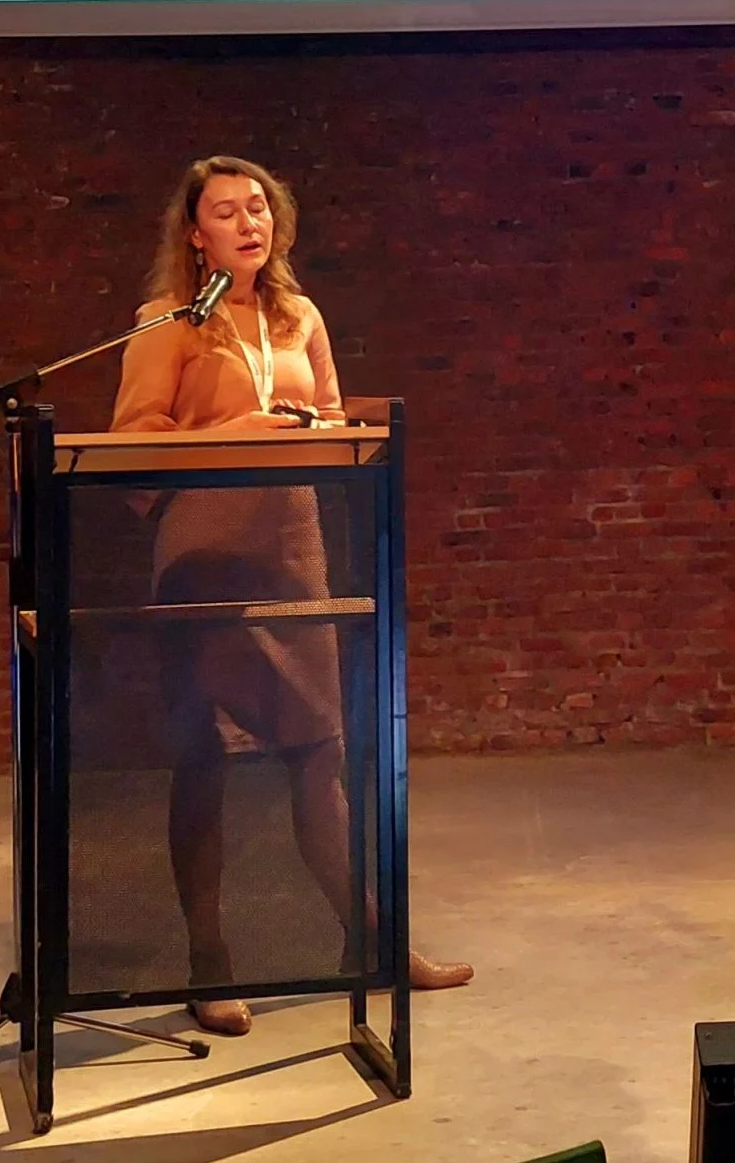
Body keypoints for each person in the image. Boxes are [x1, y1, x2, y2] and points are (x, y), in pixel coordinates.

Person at [111, 153, 472, 1034]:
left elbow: (340, 422)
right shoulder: (168, 322)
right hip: (206, 554)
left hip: (291, 549)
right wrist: (233, 431)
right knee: (205, 757)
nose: (249, 223)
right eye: (227, 211)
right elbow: (132, 443)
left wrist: (318, 427)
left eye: (260, 208)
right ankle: (209, 963)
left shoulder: (299, 315)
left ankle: (373, 941)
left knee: (320, 752)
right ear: (195, 235)